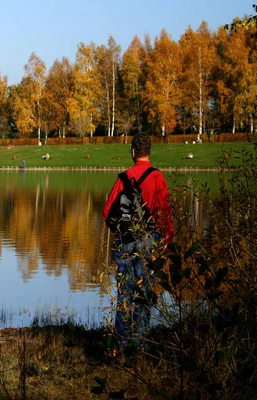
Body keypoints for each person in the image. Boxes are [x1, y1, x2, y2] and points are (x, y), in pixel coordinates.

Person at [103, 133, 173, 350]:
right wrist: (166, 243)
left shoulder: (123, 178)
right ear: (148, 151)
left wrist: (120, 233)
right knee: (143, 293)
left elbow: (107, 213)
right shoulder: (157, 177)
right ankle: (139, 344)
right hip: (148, 243)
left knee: (124, 292)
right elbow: (165, 215)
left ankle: (122, 343)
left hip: (125, 242)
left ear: (133, 152)